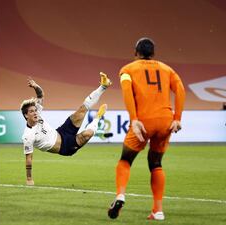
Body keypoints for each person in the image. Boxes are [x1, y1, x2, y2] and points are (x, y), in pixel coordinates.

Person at [107, 37, 185, 220]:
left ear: (136, 52)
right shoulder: (168, 69)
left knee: (125, 160)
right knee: (156, 164)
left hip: (143, 121)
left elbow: (127, 92)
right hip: (165, 121)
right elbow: (180, 89)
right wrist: (178, 118)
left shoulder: (127, 70)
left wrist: (134, 119)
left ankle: (120, 195)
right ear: (154, 53)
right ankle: (158, 211)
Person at [21, 73, 112, 185]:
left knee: (81, 110)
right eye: (31, 111)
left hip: (62, 131)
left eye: (35, 110)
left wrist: (35, 86)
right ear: (26, 115)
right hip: (65, 147)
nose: (35, 113)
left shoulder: (37, 114)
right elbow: (29, 158)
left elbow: (40, 95)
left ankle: (103, 85)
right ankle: (98, 118)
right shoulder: (28, 135)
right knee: (88, 134)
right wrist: (29, 179)